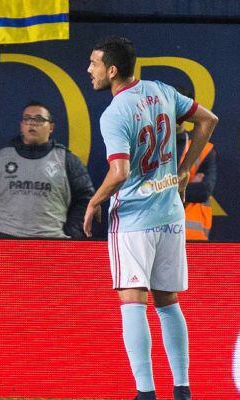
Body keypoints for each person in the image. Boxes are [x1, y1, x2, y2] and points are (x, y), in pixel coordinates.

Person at [84, 37, 218, 400]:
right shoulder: (162, 91)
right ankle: (182, 389)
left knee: (132, 300)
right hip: (170, 214)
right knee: (168, 301)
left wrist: (94, 201)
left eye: (94, 63)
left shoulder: (114, 113)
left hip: (134, 218)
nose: (89, 70)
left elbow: (120, 171)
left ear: (112, 70)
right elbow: (208, 120)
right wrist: (184, 173)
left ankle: (145, 392)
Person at [0, 101, 96, 239]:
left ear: (51, 127)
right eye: (27, 119)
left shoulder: (67, 160)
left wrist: (73, 232)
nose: (32, 123)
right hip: (3, 238)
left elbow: (85, 198)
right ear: (21, 126)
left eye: (39, 119)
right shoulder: (1, 157)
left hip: (51, 240)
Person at [174, 87, 217, 241]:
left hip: (192, 236)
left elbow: (203, 191)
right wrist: (182, 184)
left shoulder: (204, 150)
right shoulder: (151, 147)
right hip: (156, 232)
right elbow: (145, 189)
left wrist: (162, 188)